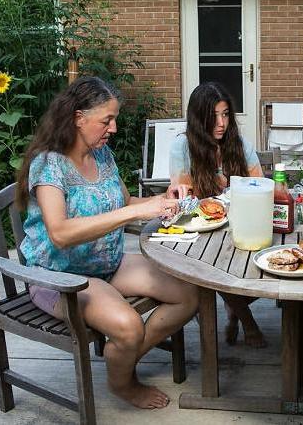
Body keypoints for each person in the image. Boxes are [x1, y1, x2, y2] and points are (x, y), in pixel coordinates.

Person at [17, 77, 198, 410]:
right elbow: (59, 232)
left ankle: (122, 355)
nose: (113, 127)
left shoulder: (102, 156)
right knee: (129, 326)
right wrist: (135, 212)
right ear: (77, 117)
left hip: (107, 262)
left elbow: (127, 202)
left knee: (189, 294)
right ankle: (123, 383)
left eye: (114, 119)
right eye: (107, 120)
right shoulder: (49, 164)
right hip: (61, 277)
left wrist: (161, 199)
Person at [169, 82, 267, 348]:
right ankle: (247, 321)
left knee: (252, 266)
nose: (221, 123)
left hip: (241, 222)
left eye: (225, 115)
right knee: (216, 269)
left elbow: (259, 185)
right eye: (214, 116)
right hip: (203, 229)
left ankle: (235, 313)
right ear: (199, 118)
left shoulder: (239, 143)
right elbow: (185, 197)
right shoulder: (182, 147)